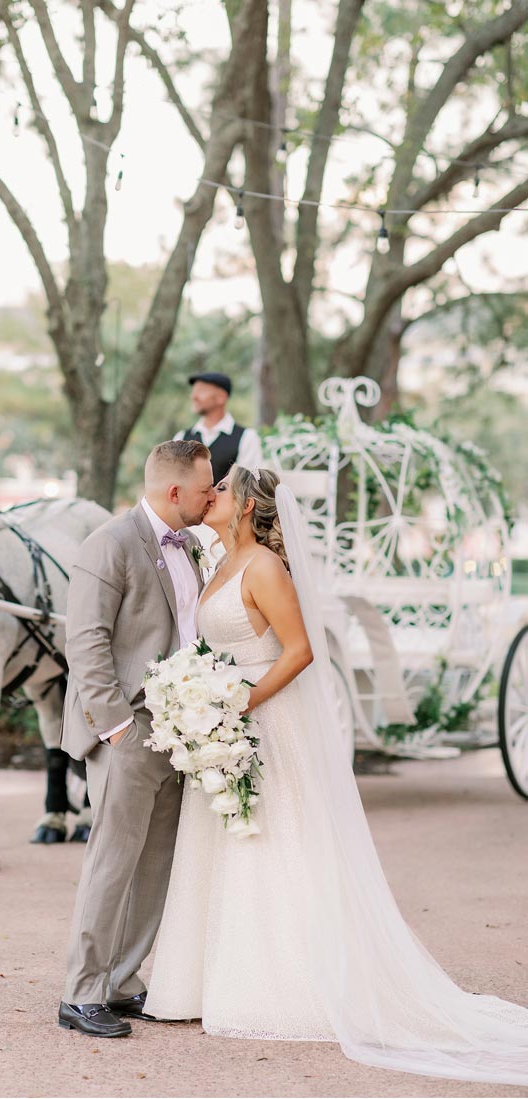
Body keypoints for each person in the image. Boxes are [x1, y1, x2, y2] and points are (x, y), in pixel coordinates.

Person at [145, 466, 528, 1085]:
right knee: (227, 839)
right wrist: (198, 696)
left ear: (244, 508)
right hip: (226, 723)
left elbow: (299, 651)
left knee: (272, 838)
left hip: (263, 720)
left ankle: (280, 986)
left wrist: (239, 701)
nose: (210, 494)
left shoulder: (265, 569)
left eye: (222, 489)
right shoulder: (220, 559)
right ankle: (199, 981)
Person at [58, 439, 215, 1039]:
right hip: (128, 730)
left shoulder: (195, 546)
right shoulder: (109, 543)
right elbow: (88, 644)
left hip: (181, 730)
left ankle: (122, 982)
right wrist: (118, 728)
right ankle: (81, 994)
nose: (211, 497)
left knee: (156, 864)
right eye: (205, 489)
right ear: (174, 491)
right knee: (113, 861)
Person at [174, 372, 263, 485]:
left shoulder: (247, 437)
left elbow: (250, 485)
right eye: (194, 391)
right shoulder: (181, 437)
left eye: (201, 391)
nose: (194, 396)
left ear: (221, 398)